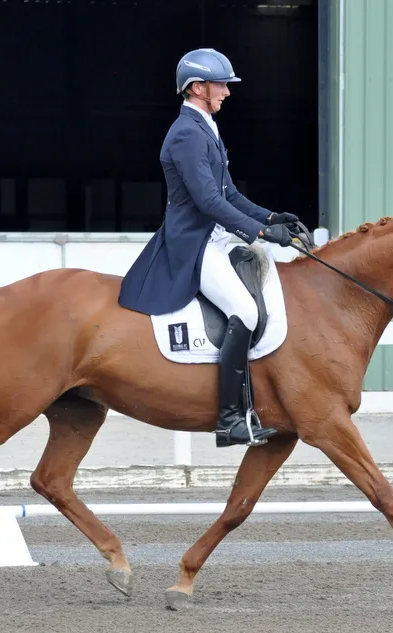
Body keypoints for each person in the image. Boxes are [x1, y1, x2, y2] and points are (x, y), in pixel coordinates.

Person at [118, 47, 298, 448]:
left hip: (214, 237)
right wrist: (261, 234)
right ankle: (230, 419)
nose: (227, 93)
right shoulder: (185, 133)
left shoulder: (206, 127)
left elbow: (228, 192)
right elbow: (207, 202)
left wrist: (271, 218)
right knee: (246, 310)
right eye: (221, 85)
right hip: (193, 243)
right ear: (197, 88)